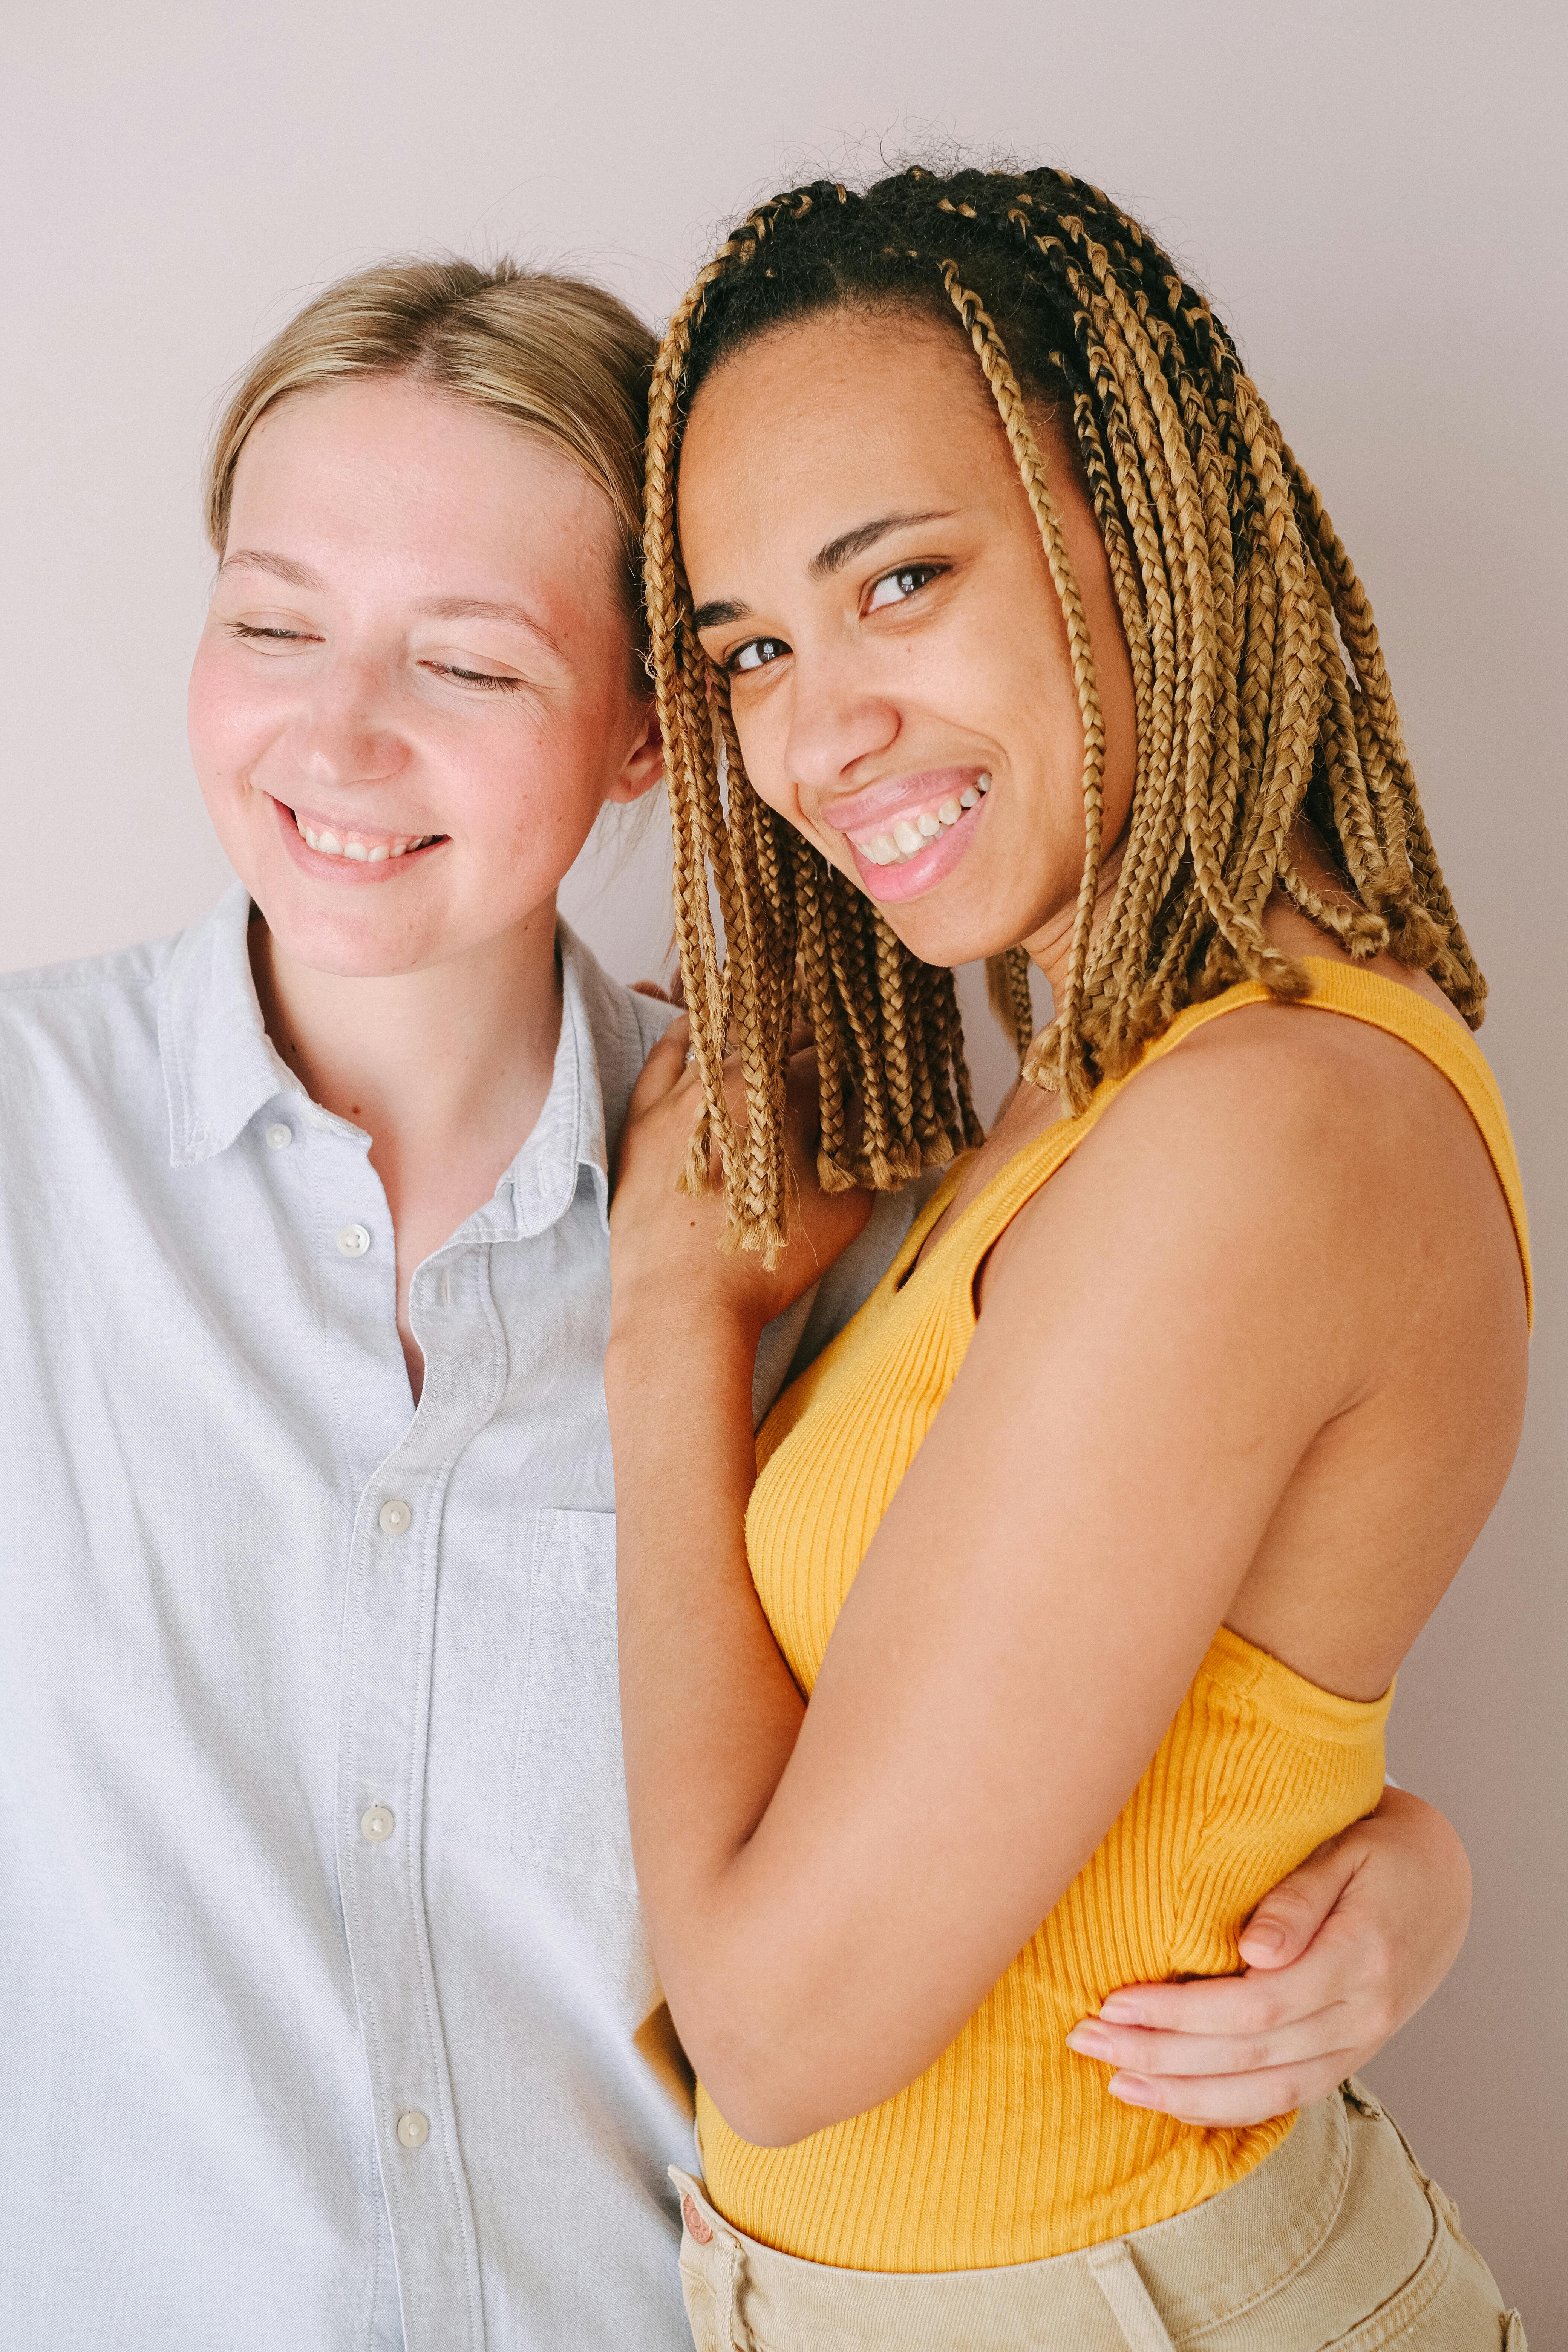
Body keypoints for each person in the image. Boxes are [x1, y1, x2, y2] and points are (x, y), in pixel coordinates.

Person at [0, 250, 1475, 2352]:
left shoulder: (834, 1224)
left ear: (639, 740)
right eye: (273, 623)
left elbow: (1062, 1754)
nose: (340, 733)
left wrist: (1398, 1869)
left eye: (474, 665)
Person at [606, 165, 1532, 2349]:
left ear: (1156, 528)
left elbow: (783, 2029)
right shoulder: (1110, 1085)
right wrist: (1405, 1847)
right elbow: (1197, 1728)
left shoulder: (1260, 1127)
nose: (814, 737)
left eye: (899, 581)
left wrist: (667, 1337)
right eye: (750, 652)